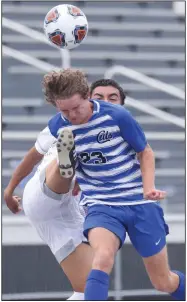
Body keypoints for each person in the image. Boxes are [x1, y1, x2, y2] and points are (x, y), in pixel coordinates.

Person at [41, 68, 185, 301]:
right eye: (64, 111)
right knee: (102, 258)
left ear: (87, 95)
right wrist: (74, 175)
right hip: (101, 205)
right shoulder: (59, 126)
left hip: (139, 202)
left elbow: (145, 152)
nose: (71, 115)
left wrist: (148, 187)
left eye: (76, 108)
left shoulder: (117, 116)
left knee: (163, 282)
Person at [4, 78, 125, 300]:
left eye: (112, 98)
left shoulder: (123, 139)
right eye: (100, 97)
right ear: (88, 98)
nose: (106, 101)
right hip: (45, 191)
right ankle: (66, 161)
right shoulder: (63, 120)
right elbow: (32, 157)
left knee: (89, 290)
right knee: (60, 174)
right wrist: (9, 189)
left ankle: (68, 164)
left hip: (62, 217)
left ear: (121, 105)